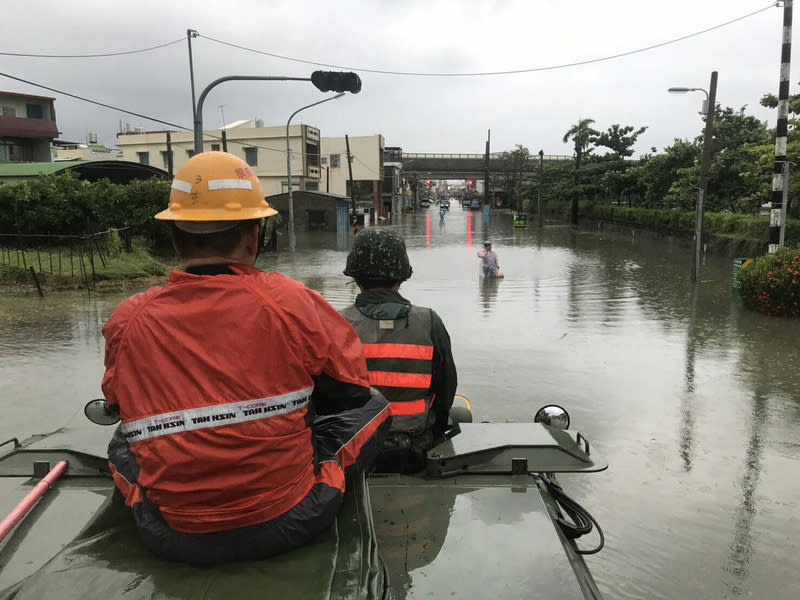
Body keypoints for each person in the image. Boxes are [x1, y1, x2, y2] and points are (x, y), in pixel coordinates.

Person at [101, 151, 390, 565]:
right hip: (288, 520)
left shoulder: (128, 319)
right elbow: (350, 392)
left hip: (169, 532)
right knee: (376, 407)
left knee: (122, 439)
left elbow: (117, 404)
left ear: (175, 239)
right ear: (253, 236)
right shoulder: (291, 302)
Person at [340, 228, 458, 473]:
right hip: (416, 450)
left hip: (353, 453)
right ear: (402, 276)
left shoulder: (334, 324)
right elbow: (445, 388)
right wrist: (435, 434)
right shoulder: (429, 322)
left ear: (356, 276)